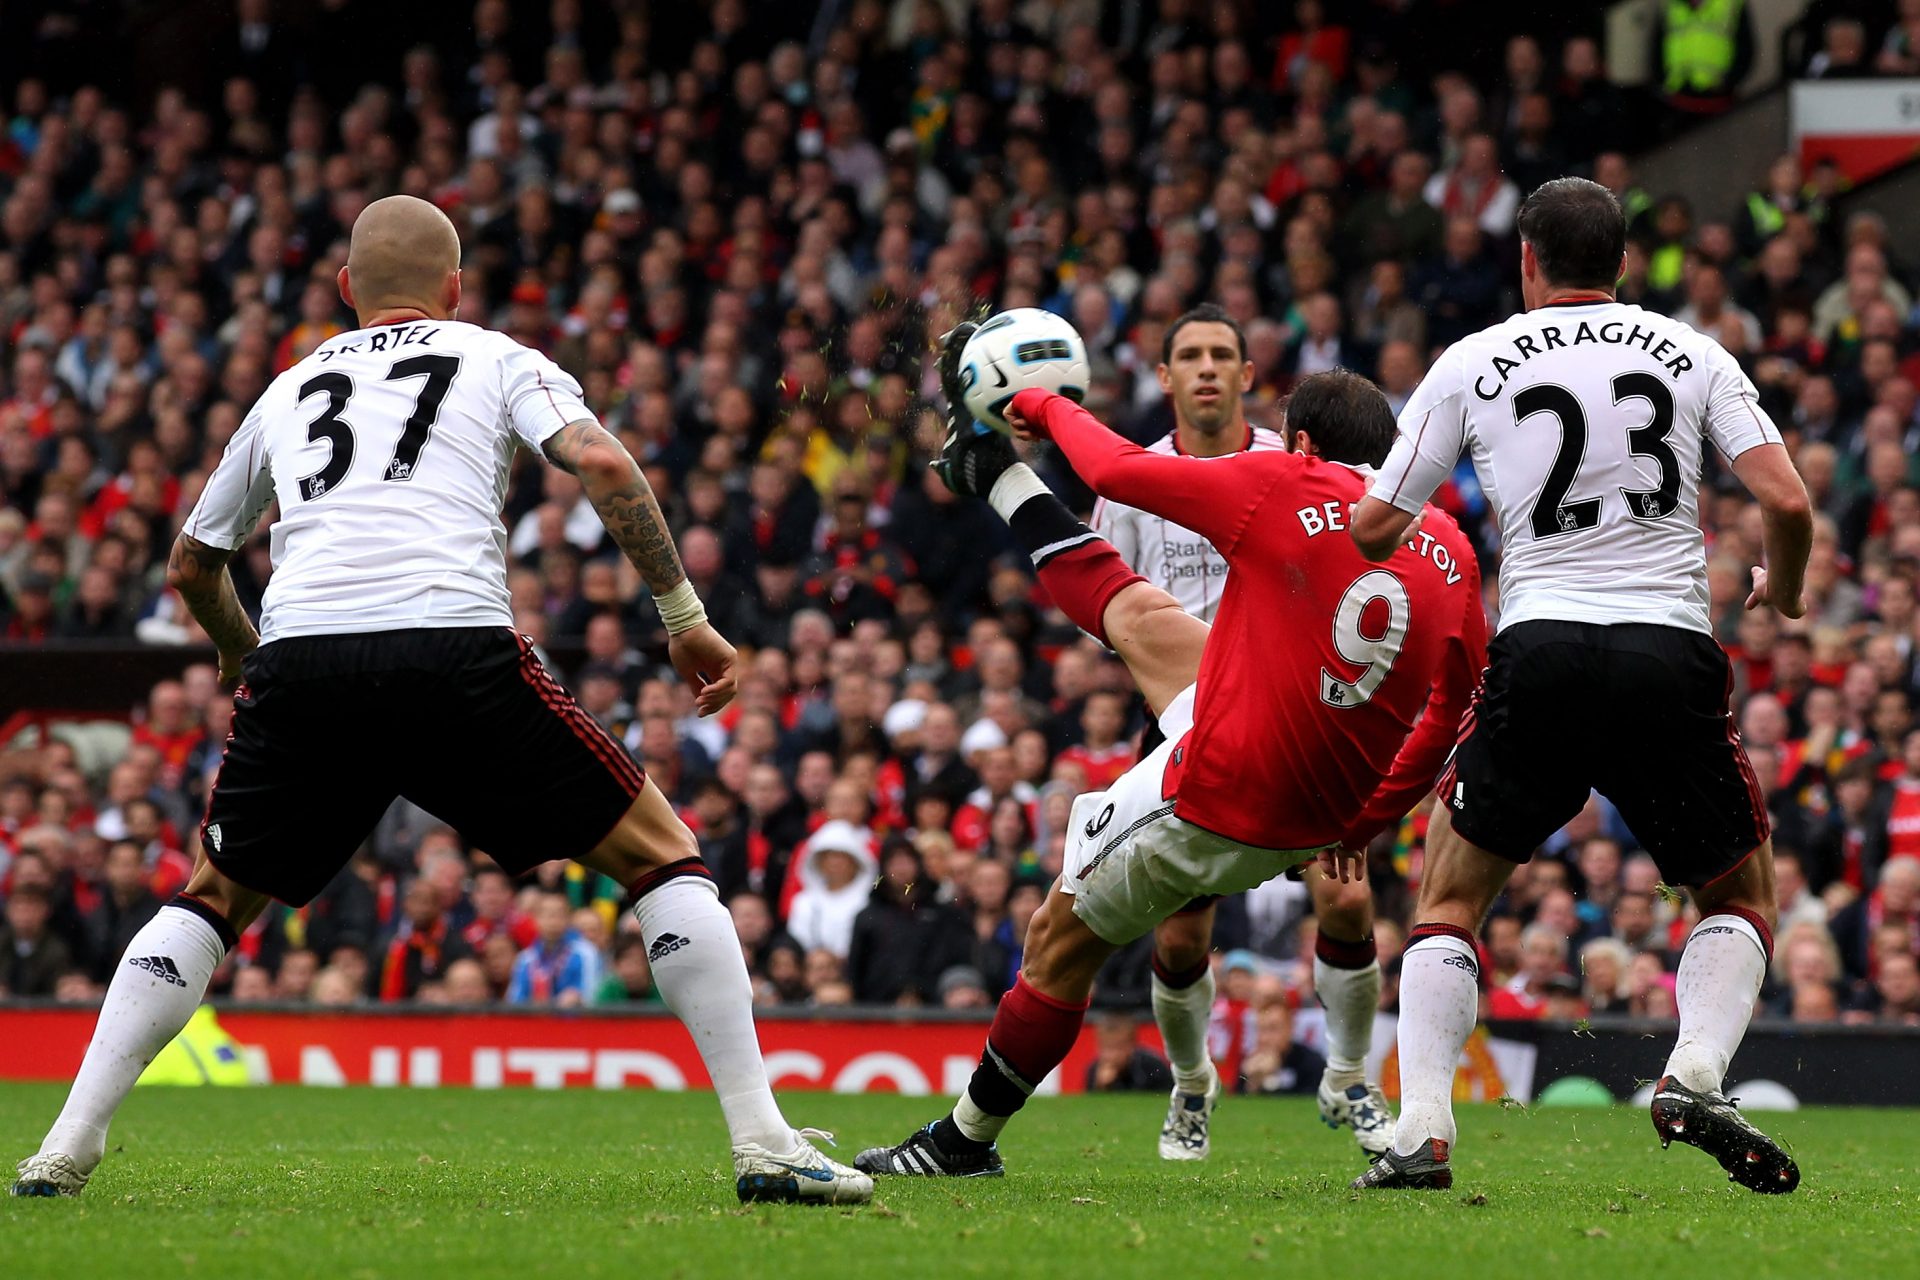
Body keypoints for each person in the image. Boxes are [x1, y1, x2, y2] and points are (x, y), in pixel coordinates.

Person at [13, 196, 868, 1206]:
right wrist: (682, 615)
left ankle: (65, 1144)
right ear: (454, 288)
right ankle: (762, 1139)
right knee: (661, 855)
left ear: (345, 291)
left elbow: (194, 562)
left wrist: (248, 658)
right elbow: (598, 458)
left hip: (305, 660)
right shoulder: (495, 354)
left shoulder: (290, 387)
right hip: (451, 645)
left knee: (212, 892)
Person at [854, 336, 1484, 1179]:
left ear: (1298, 445)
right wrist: (1368, 818)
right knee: (1144, 618)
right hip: (1322, 801)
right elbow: (1453, 712)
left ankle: (963, 1141)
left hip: (1224, 791)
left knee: (1058, 939)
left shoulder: (1284, 481)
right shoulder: (1452, 548)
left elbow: (1111, 470)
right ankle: (997, 477)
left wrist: (1036, 403)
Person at [1349, 176, 1812, 1194]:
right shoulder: (1691, 351)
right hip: (1666, 648)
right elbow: (1785, 495)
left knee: (1453, 893)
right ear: (1624, 262)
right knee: (1740, 888)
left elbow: (1375, 527)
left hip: (1543, 645)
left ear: (1526, 258)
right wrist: (1784, 588)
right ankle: (1693, 1072)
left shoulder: (1472, 362)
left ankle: (1423, 1123)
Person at [1090, 303, 1397, 1161]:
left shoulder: (1288, 465)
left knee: (1346, 896)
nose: (1208, 369)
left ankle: (1347, 1077)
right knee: (1183, 930)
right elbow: (1109, 608)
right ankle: (1192, 1088)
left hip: (1299, 719)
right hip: (1195, 723)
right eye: (1189, 355)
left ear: (1248, 375)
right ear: (1164, 377)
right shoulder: (1134, 482)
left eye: (1223, 354)